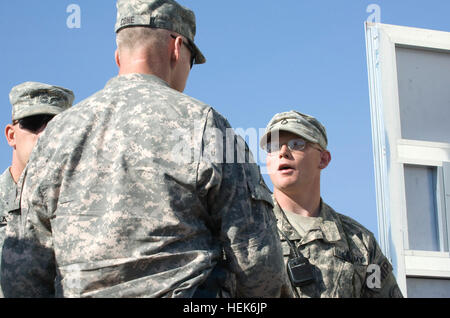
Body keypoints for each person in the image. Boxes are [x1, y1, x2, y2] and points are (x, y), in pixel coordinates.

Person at [1, 0, 285, 298]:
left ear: (117, 57)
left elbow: (22, 272)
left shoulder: (56, 134)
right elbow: (260, 266)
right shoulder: (204, 125)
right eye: (191, 59)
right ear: (176, 48)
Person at [260, 110, 403, 298]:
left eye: (297, 144)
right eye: (274, 147)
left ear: (323, 159)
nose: (283, 153)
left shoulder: (359, 242)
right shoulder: (246, 229)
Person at [0, 82, 74, 297]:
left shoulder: (82, 205)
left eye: (55, 126)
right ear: (11, 135)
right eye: (32, 123)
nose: (43, 135)